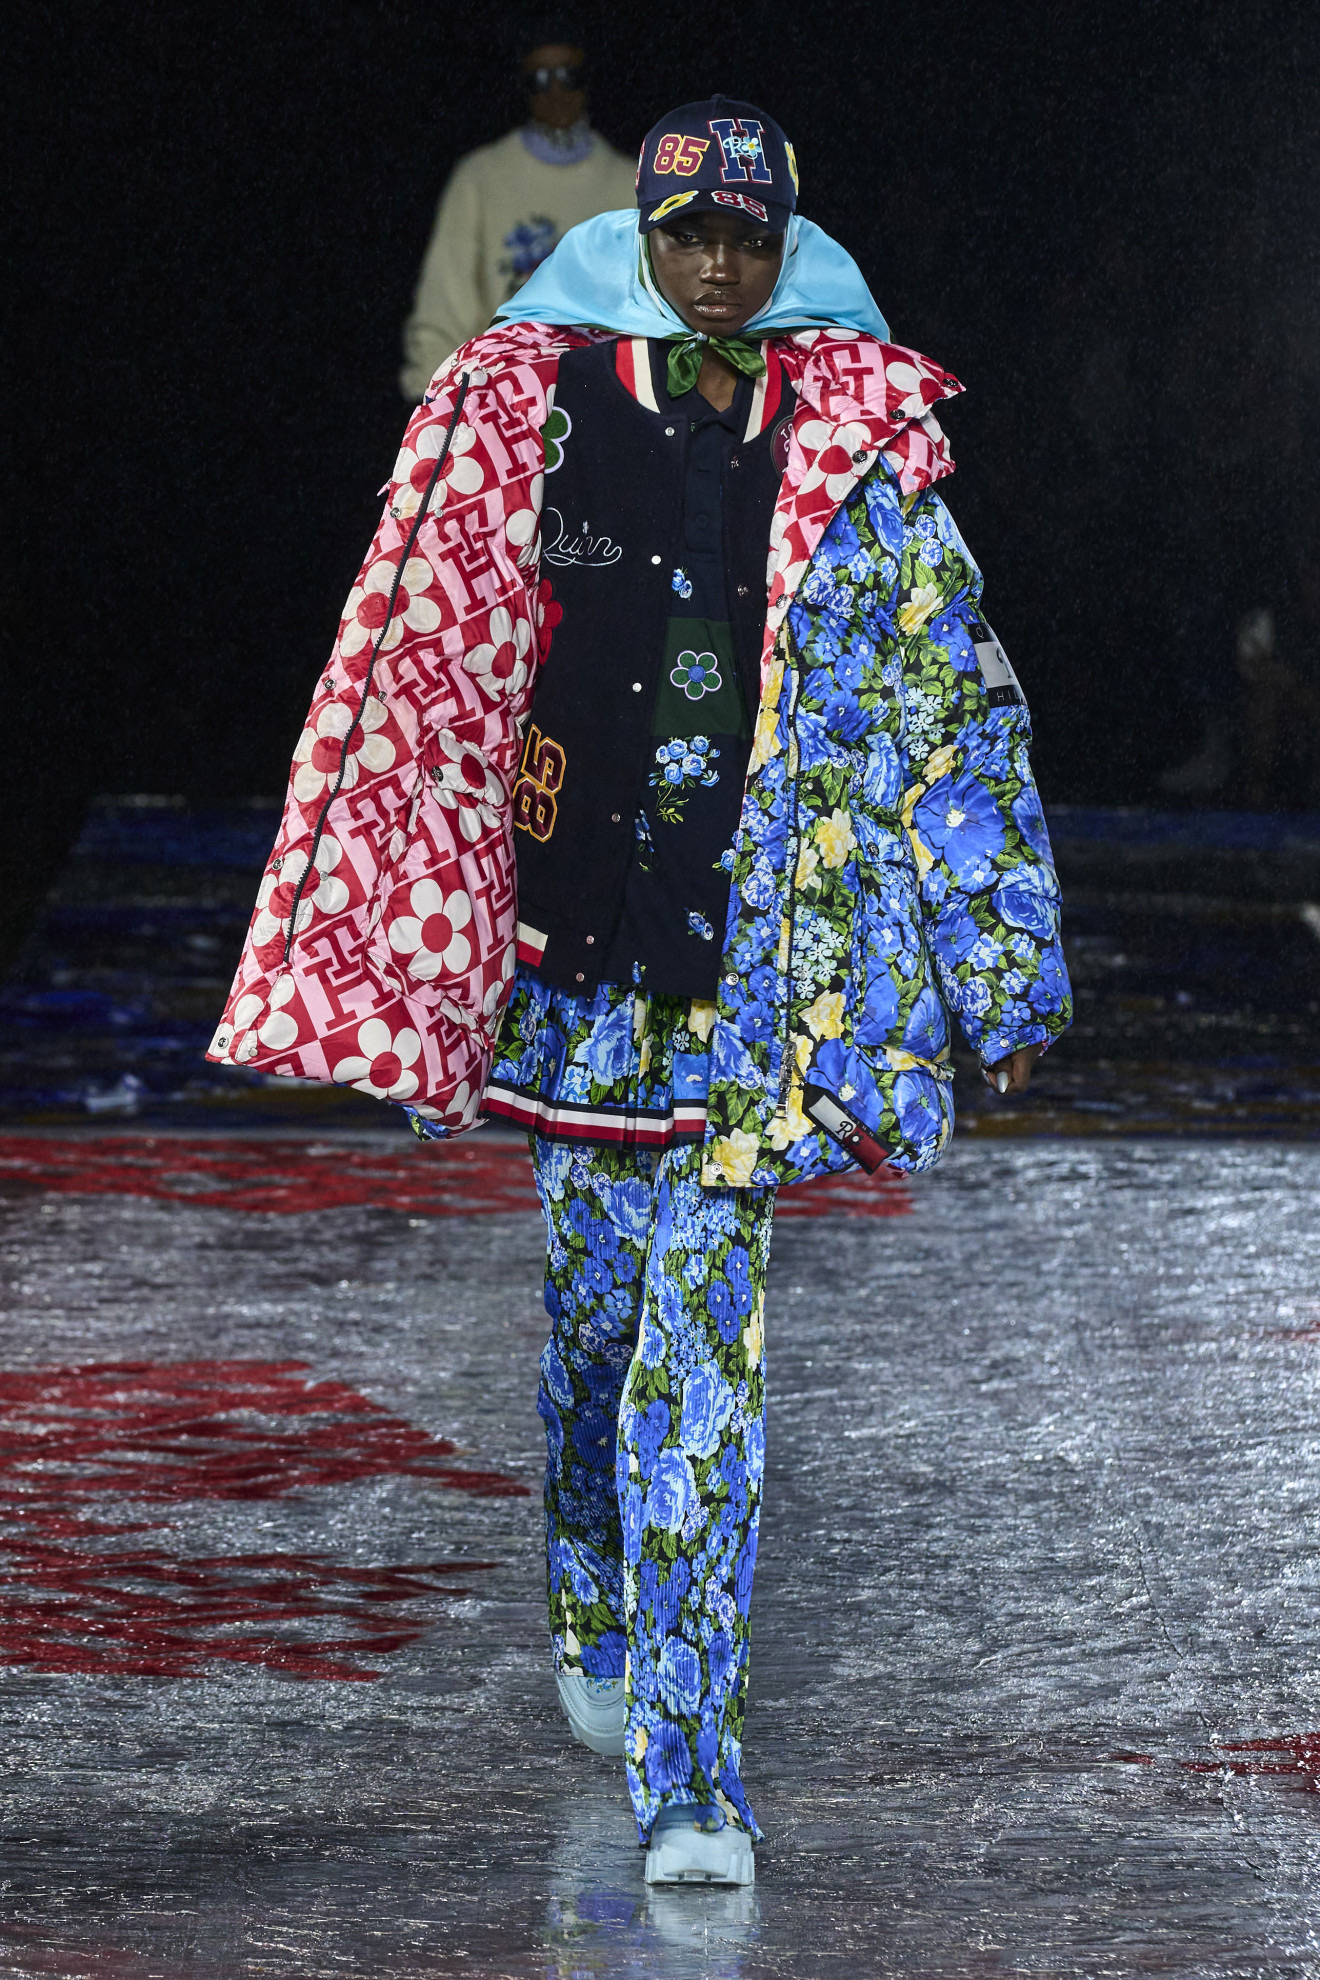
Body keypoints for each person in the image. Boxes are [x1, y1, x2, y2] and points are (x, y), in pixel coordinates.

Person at [210, 95, 1072, 1886]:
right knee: (597, 1335)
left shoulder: (854, 437)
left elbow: (946, 695)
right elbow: (418, 663)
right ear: (646, 236)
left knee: (702, 1372)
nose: (720, 265)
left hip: (745, 981)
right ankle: (591, 1587)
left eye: (750, 237)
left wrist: (999, 963)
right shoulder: (526, 412)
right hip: (576, 968)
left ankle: (693, 1768)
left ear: (785, 246)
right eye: (692, 234)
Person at [398, 35, 635, 398]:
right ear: (522, 89)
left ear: (590, 82)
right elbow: (444, 305)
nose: (556, 91)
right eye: (539, 80)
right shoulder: (481, 178)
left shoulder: (631, 183)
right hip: (500, 399)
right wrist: (434, 400)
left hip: (605, 397)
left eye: (569, 76)